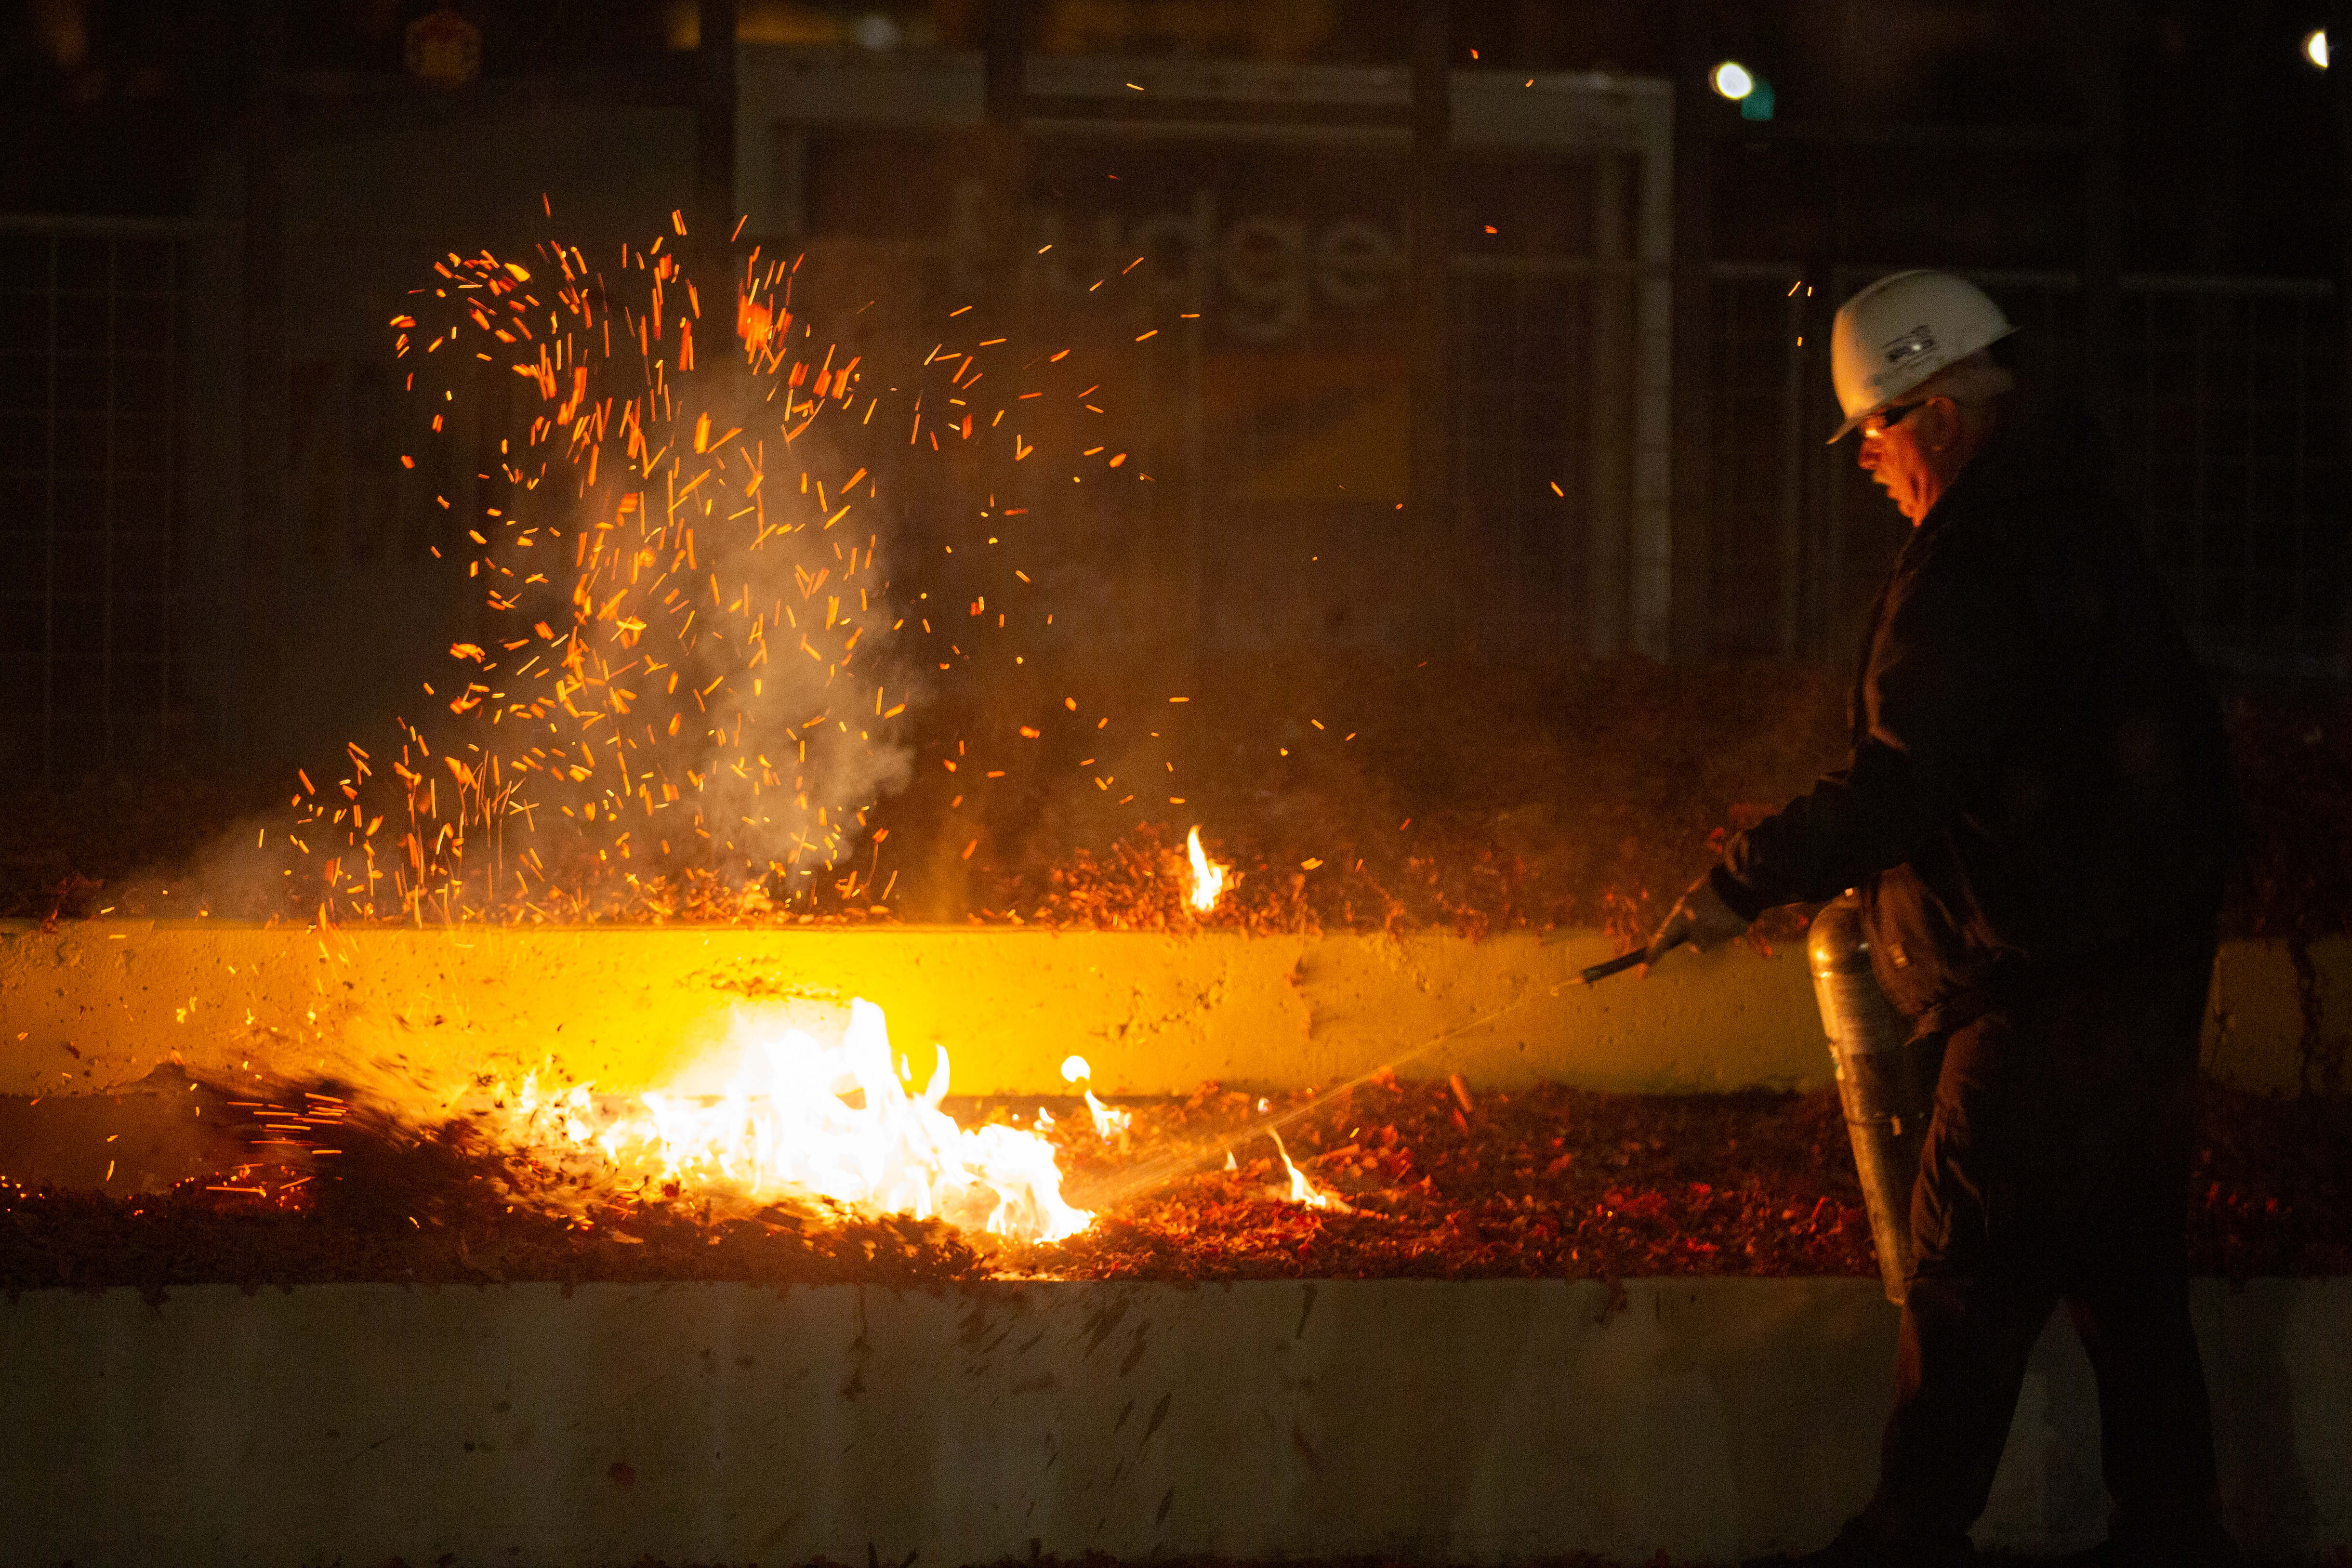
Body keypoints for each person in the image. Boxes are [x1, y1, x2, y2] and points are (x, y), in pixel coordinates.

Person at [1645, 270, 2236, 1568]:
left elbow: (1907, 775)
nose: (1866, 461)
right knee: (2126, 1272)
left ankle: (1906, 1540)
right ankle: (2173, 1529)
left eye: (1874, 430)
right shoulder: (2070, 517)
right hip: (2125, 965)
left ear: (1940, 415)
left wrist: (1742, 880)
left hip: (2042, 976)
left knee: (1967, 1270)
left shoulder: (1978, 554)